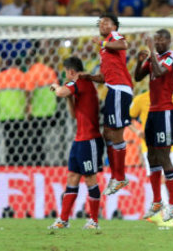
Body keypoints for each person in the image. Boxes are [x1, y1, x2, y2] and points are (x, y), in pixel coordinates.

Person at [79, 13, 133, 195]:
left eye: (107, 22)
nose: (103, 25)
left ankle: (120, 177)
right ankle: (116, 176)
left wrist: (101, 43)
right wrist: (90, 77)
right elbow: (103, 77)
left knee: (115, 133)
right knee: (108, 133)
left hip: (120, 89)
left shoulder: (114, 37)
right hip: (113, 88)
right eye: (100, 23)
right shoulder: (104, 49)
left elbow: (124, 44)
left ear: (115, 26)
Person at [48, 57, 104, 230]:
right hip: (79, 140)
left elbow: (60, 92)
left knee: (90, 179)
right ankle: (63, 220)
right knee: (72, 177)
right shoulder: (78, 87)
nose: (66, 75)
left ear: (71, 71)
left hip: (90, 140)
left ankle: (94, 221)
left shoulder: (82, 82)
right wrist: (67, 96)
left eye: (66, 72)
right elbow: (73, 113)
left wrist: (57, 86)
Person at [134, 29, 173, 221]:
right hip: (152, 113)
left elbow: (161, 72)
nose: (159, 43)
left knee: (163, 156)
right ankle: (156, 201)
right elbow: (137, 77)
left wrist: (152, 51)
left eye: (162, 40)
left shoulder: (172, 56)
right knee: (152, 157)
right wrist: (139, 61)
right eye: (156, 40)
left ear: (169, 41)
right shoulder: (154, 58)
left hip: (165, 112)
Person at [127, 90, 173, 226]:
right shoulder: (141, 98)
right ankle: (164, 215)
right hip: (150, 146)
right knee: (163, 179)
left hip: (170, 144)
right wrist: (137, 131)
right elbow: (126, 117)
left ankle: (158, 213)